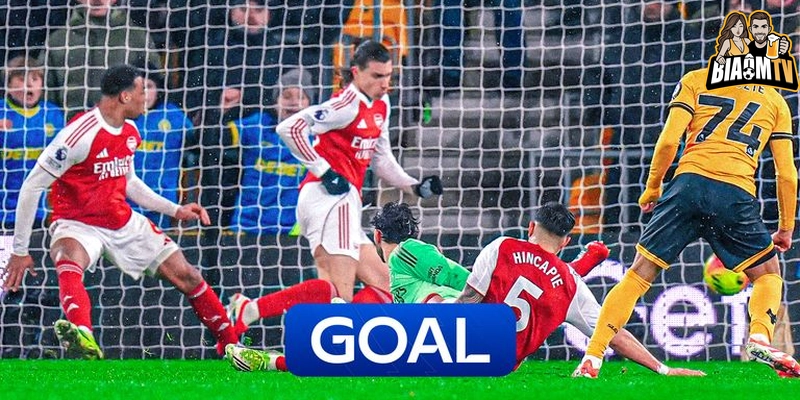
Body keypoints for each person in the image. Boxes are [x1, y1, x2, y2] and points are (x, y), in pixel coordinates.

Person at [573, 65, 799, 378]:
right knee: (768, 275)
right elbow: (786, 174)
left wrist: (653, 186)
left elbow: (669, 141)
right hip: (734, 194)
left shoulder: (696, 79)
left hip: (687, 186)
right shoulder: (775, 101)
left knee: (637, 276)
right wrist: (785, 228)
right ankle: (759, 337)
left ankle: (593, 357)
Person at [0, 65, 239, 359]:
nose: (146, 97)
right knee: (67, 256)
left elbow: (130, 183)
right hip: (77, 222)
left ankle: (232, 345)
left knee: (188, 276)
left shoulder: (130, 131)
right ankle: (83, 334)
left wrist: (175, 209)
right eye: (141, 91)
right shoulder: (77, 135)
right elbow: (31, 186)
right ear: (125, 96)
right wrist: (20, 250)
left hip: (121, 220)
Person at [276, 41, 443, 303]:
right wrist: (324, 171)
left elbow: (381, 158)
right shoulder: (345, 105)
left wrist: (413, 186)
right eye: (377, 76)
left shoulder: (382, 104)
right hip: (328, 200)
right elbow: (289, 128)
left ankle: (252, 309)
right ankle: (254, 310)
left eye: (388, 76)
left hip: (346, 201)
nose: (385, 84)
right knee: (337, 295)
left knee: (389, 287)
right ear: (356, 72)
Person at [452, 202, 704, 375]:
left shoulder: (501, 247)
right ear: (565, 242)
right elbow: (613, 334)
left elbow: (468, 299)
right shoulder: (572, 285)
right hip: (502, 364)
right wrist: (664, 369)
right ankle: (584, 262)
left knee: (443, 295)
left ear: (531, 227)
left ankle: (585, 262)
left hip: (465, 349)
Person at [371, 202, 610, 304]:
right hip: (458, 322)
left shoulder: (405, 251)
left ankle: (571, 271)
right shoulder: (399, 268)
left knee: (433, 304)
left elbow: (451, 274)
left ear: (378, 235)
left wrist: (488, 293)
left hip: (456, 314)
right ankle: (569, 272)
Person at [230, 68, 317, 235]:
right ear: (275, 101)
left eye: (301, 97)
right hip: (248, 225)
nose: (294, 102)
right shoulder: (257, 126)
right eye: (286, 96)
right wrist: (224, 110)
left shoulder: (317, 137)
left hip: (293, 229)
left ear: (309, 104)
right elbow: (215, 136)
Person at [43, 0, 162, 120]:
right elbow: (46, 94)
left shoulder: (137, 37)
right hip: (71, 126)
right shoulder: (57, 40)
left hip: (125, 127)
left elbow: (155, 88)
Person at [0, 55, 65, 229]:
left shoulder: (52, 114)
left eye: (35, 79)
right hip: (4, 209)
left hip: (38, 209)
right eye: (22, 80)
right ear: (8, 85)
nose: (29, 85)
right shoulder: (2, 112)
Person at [132, 66, 195, 230]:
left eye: (149, 86)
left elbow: (195, 142)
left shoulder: (173, 116)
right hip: (127, 199)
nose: (145, 93)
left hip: (161, 199)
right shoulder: (125, 117)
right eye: (139, 87)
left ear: (159, 89)